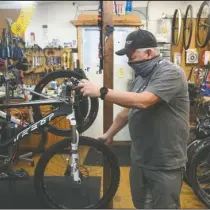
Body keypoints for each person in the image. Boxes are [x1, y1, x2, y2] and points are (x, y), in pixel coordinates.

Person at [77, 29, 189, 209]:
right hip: (139, 158)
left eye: (132, 56)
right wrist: (109, 134)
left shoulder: (171, 73)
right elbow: (127, 111)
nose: (129, 61)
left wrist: (102, 92)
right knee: (141, 204)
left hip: (164, 161)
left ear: (149, 53)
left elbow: (144, 101)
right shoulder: (142, 77)